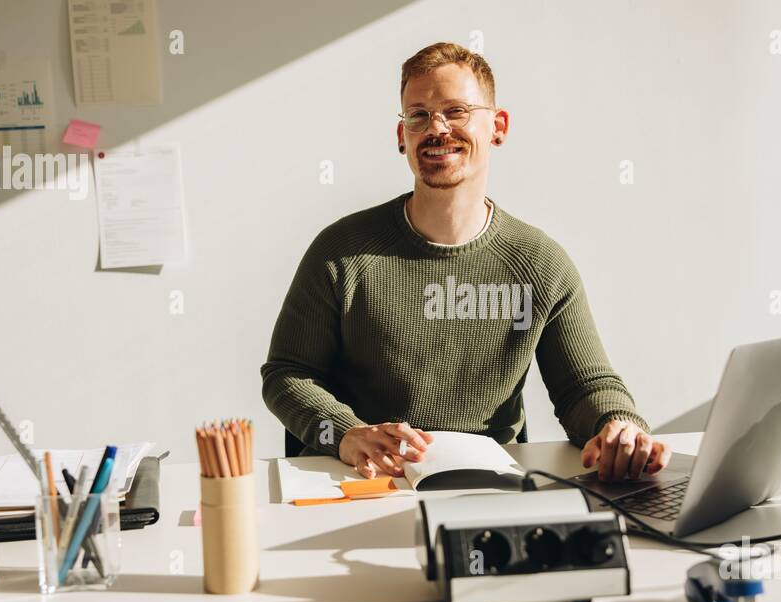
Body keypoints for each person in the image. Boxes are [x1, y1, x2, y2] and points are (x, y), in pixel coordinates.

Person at [262, 42, 670, 482]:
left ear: (498, 126)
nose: (437, 128)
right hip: (362, 482)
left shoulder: (540, 262)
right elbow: (288, 374)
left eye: (456, 111)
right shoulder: (341, 250)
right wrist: (347, 432)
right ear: (402, 137)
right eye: (418, 115)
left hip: (486, 487)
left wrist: (617, 426)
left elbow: (583, 387)